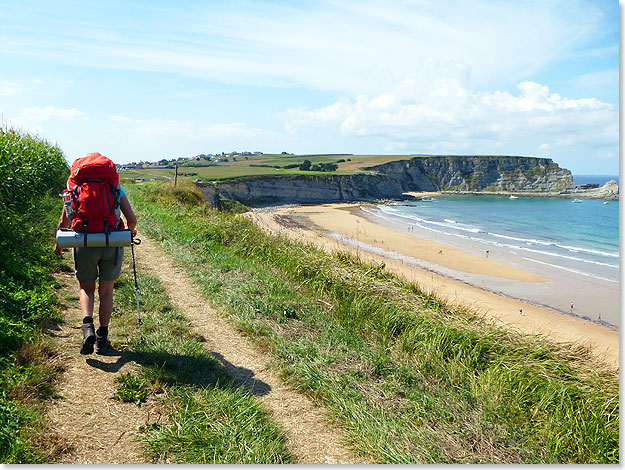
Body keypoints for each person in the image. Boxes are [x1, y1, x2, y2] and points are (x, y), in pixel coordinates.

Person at [54, 156, 137, 355]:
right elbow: (131, 219)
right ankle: (103, 338)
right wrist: (130, 233)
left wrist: (58, 244)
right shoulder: (115, 186)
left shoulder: (74, 187)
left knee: (86, 287)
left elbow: (65, 221)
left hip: (83, 242)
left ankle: (87, 327)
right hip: (111, 242)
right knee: (106, 291)